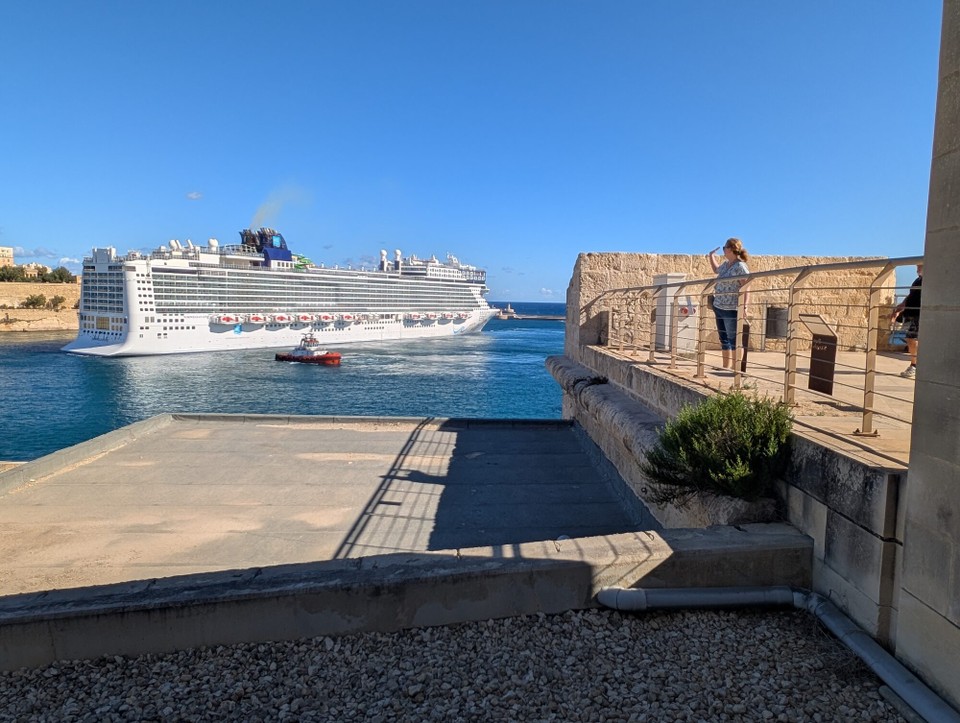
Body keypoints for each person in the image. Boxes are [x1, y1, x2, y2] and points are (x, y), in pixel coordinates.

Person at [707, 238, 750, 371]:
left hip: (731, 308)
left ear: (731, 249)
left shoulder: (740, 267)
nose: (723, 249)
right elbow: (716, 270)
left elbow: (746, 286)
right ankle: (726, 366)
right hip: (719, 306)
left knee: (734, 339)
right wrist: (711, 256)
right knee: (724, 338)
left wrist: (745, 306)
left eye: (725, 247)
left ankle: (737, 370)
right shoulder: (726, 265)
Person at [890, 263, 922, 379]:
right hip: (912, 314)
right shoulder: (917, 280)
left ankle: (915, 366)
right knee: (911, 339)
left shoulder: (929, 280)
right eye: (917, 267)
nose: (917, 269)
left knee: (912, 338)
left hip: (920, 314)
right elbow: (910, 296)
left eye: (920, 267)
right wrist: (900, 307)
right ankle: (915, 365)